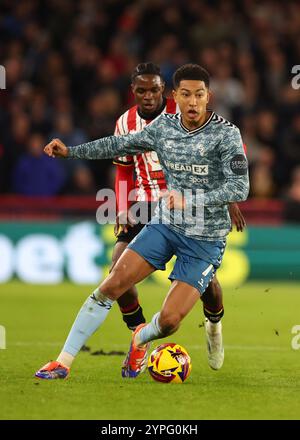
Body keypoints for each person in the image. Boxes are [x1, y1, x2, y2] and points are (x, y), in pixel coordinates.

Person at [36, 64, 249, 380]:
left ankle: (146, 337)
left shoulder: (226, 134)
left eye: (199, 95)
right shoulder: (163, 128)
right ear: (175, 96)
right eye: (186, 95)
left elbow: (240, 187)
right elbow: (117, 145)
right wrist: (70, 152)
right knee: (111, 285)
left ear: (209, 97)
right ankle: (63, 362)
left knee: (170, 321)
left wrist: (191, 199)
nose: (193, 102)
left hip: (205, 238)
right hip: (166, 225)